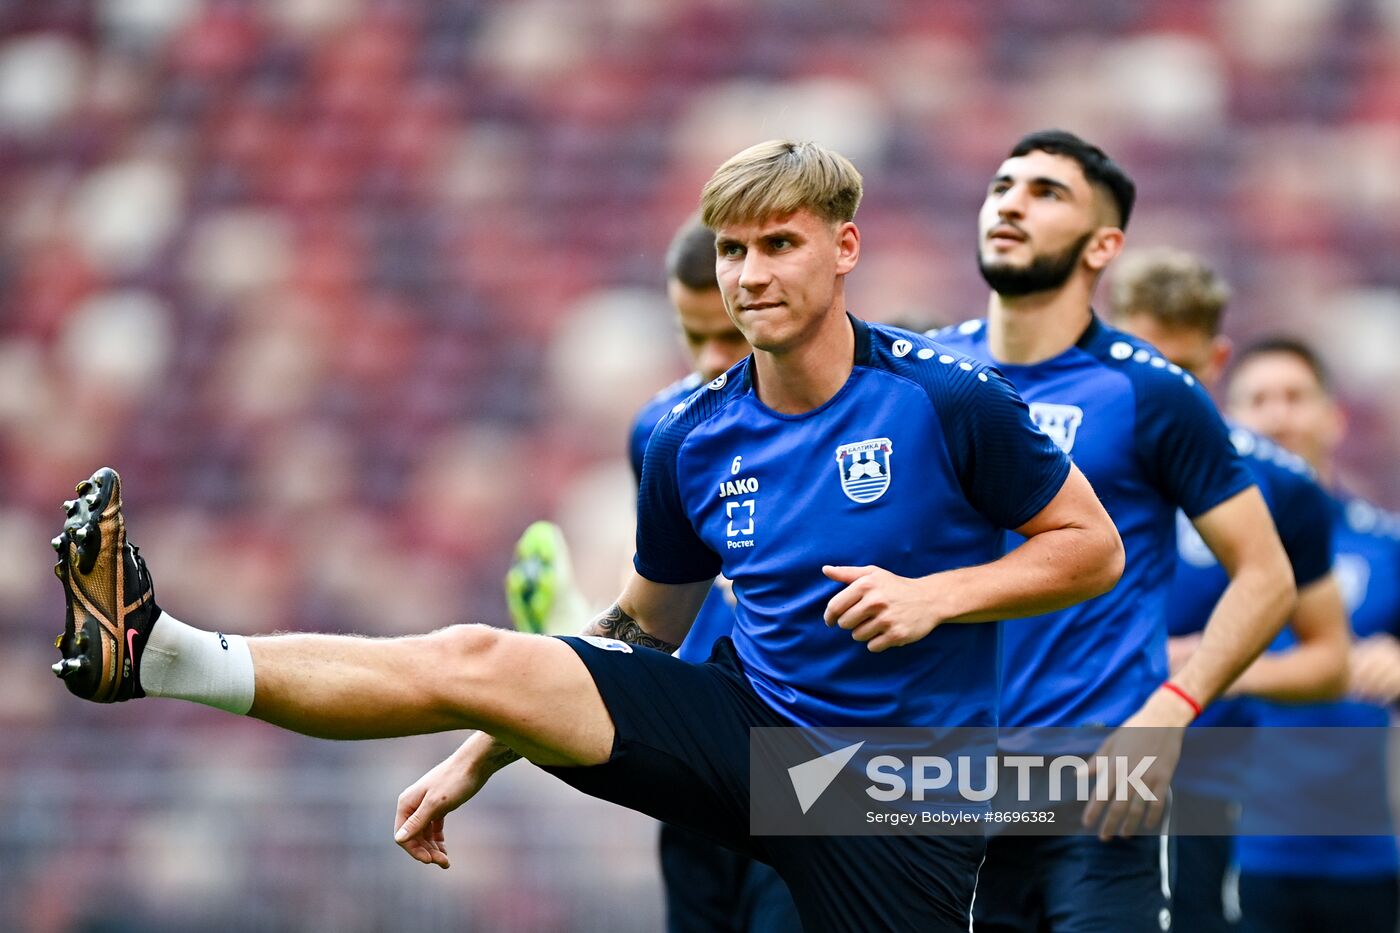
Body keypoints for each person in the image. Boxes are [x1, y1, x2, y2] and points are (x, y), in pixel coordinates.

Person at [49, 140, 1126, 933]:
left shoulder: (947, 400)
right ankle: (159, 654)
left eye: (779, 247)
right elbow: (638, 628)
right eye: (733, 252)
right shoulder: (689, 438)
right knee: (477, 656)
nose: (750, 277)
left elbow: (1089, 547)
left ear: (843, 248)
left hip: (894, 789)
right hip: (751, 734)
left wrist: (937, 595)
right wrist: (486, 744)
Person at [930, 130, 1298, 933]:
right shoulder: (918, 376)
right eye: (1003, 186)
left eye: (1046, 193)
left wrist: (1171, 710)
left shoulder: (1150, 392)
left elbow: (1267, 576)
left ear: (1105, 246)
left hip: (1100, 792)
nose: (1012, 203)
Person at [504, 216, 801, 932]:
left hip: (809, 754)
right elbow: (666, 598)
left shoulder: (844, 421)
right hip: (703, 744)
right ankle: (573, 628)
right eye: (691, 335)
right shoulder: (663, 431)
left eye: (728, 337)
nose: (708, 359)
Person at [1110, 249, 1350, 932]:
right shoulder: (1062, 455)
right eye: (1142, 363)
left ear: (1215, 361)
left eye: (1180, 371)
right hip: (1061, 765)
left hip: (1203, 794)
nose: (1160, 390)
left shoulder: (1278, 487)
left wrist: (1218, 664)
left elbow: (1328, 660)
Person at [1223, 337, 1400, 933]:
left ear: (1335, 417)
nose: (1278, 415)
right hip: (1233, 849)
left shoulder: (1384, 545)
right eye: (1258, 400)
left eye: (1296, 397)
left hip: (1369, 858)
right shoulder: (1199, 555)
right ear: (1230, 424)